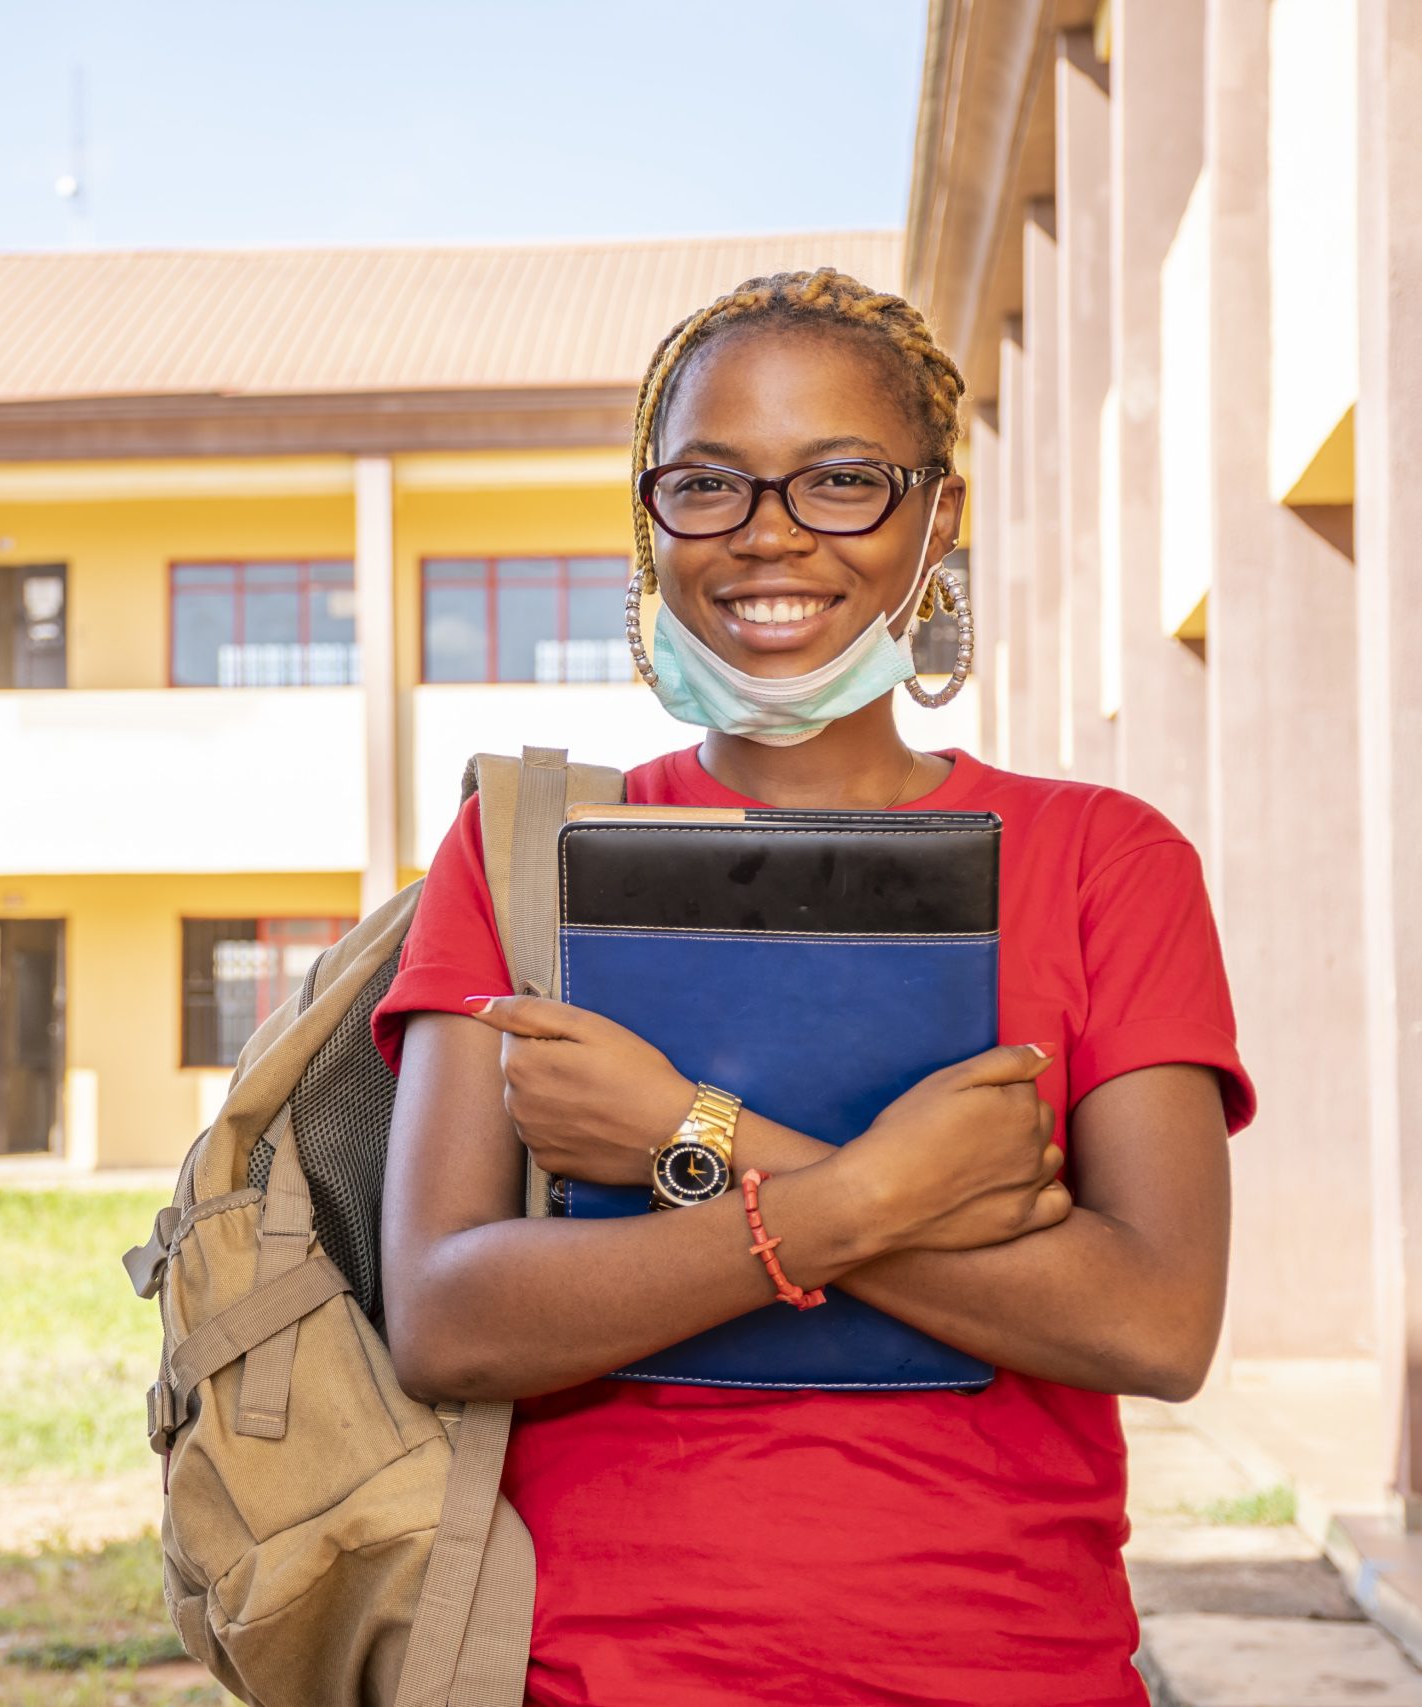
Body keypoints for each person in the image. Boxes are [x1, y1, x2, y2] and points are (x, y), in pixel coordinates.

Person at [373, 268, 1254, 1707]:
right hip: (588, 1673)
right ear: (651, 516)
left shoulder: (1105, 858)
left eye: (841, 481)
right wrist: (883, 1189)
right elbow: (449, 1318)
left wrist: (686, 1132)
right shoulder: (529, 851)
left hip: (1010, 1667)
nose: (769, 535)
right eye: (709, 485)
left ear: (936, 519)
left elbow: (1152, 1323)